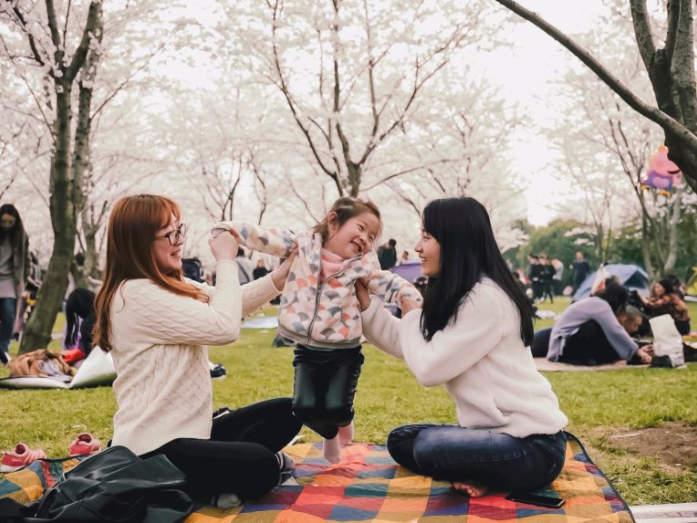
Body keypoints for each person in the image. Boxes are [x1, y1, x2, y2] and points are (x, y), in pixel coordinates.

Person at [93, 194, 302, 508]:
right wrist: (226, 260)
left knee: (291, 410)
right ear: (138, 242)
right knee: (262, 465)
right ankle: (193, 486)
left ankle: (217, 481)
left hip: (193, 433)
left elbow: (229, 301)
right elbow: (224, 327)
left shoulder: (166, 284)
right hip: (152, 449)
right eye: (170, 235)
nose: (179, 242)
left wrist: (279, 276)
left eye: (180, 230)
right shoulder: (134, 294)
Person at [356, 197, 568, 497]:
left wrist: (412, 310)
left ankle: (486, 474)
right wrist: (367, 307)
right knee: (401, 440)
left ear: (455, 242)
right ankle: (480, 470)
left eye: (427, 237)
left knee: (431, 447)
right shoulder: (463, 294)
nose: (417, 246)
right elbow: (412, 346)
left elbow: (429, 369)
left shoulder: (486, 298)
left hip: (533, 446)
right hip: (491, 435)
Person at [213, 197, 422, 463]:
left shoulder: (363, 265)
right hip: (307, 348)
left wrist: (408, 295)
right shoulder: (302, 245)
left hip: (345, 350)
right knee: (303, 407)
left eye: (371, 236)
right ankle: (331, 432)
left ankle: (342, 420)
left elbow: (388, 282)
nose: (365, 239)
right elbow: (266, 237)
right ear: (333, 221)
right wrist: (229, 230)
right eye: (360, 228)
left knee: (337, 406)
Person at [531, 285, 653, 365]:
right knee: (594, 327)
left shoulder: (596, 303)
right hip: (562, 346)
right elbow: (615, 330)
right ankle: (586, 357)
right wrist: (637, 351)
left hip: (563, 343)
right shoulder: (600, 305)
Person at [0, 204, 31, 365]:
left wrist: (26, 277)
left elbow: (27, 258)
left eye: (10, 222)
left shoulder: (20, 235)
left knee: (9, 315)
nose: (6, 225)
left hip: (11, 280)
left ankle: (3, 347)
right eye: (3, 222)